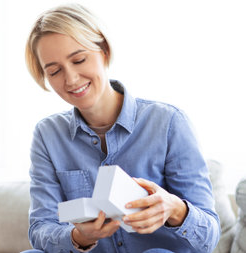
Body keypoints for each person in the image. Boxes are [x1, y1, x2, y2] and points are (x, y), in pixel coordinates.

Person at [22, 3, 220, 253]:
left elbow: (210, 237)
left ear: (103, 50)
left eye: (79, 60)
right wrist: (79, 236)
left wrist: (175, 208)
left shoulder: (168, 122)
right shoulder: (47, 135)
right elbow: (41, 227)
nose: (71, 79)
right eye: (54, 71)